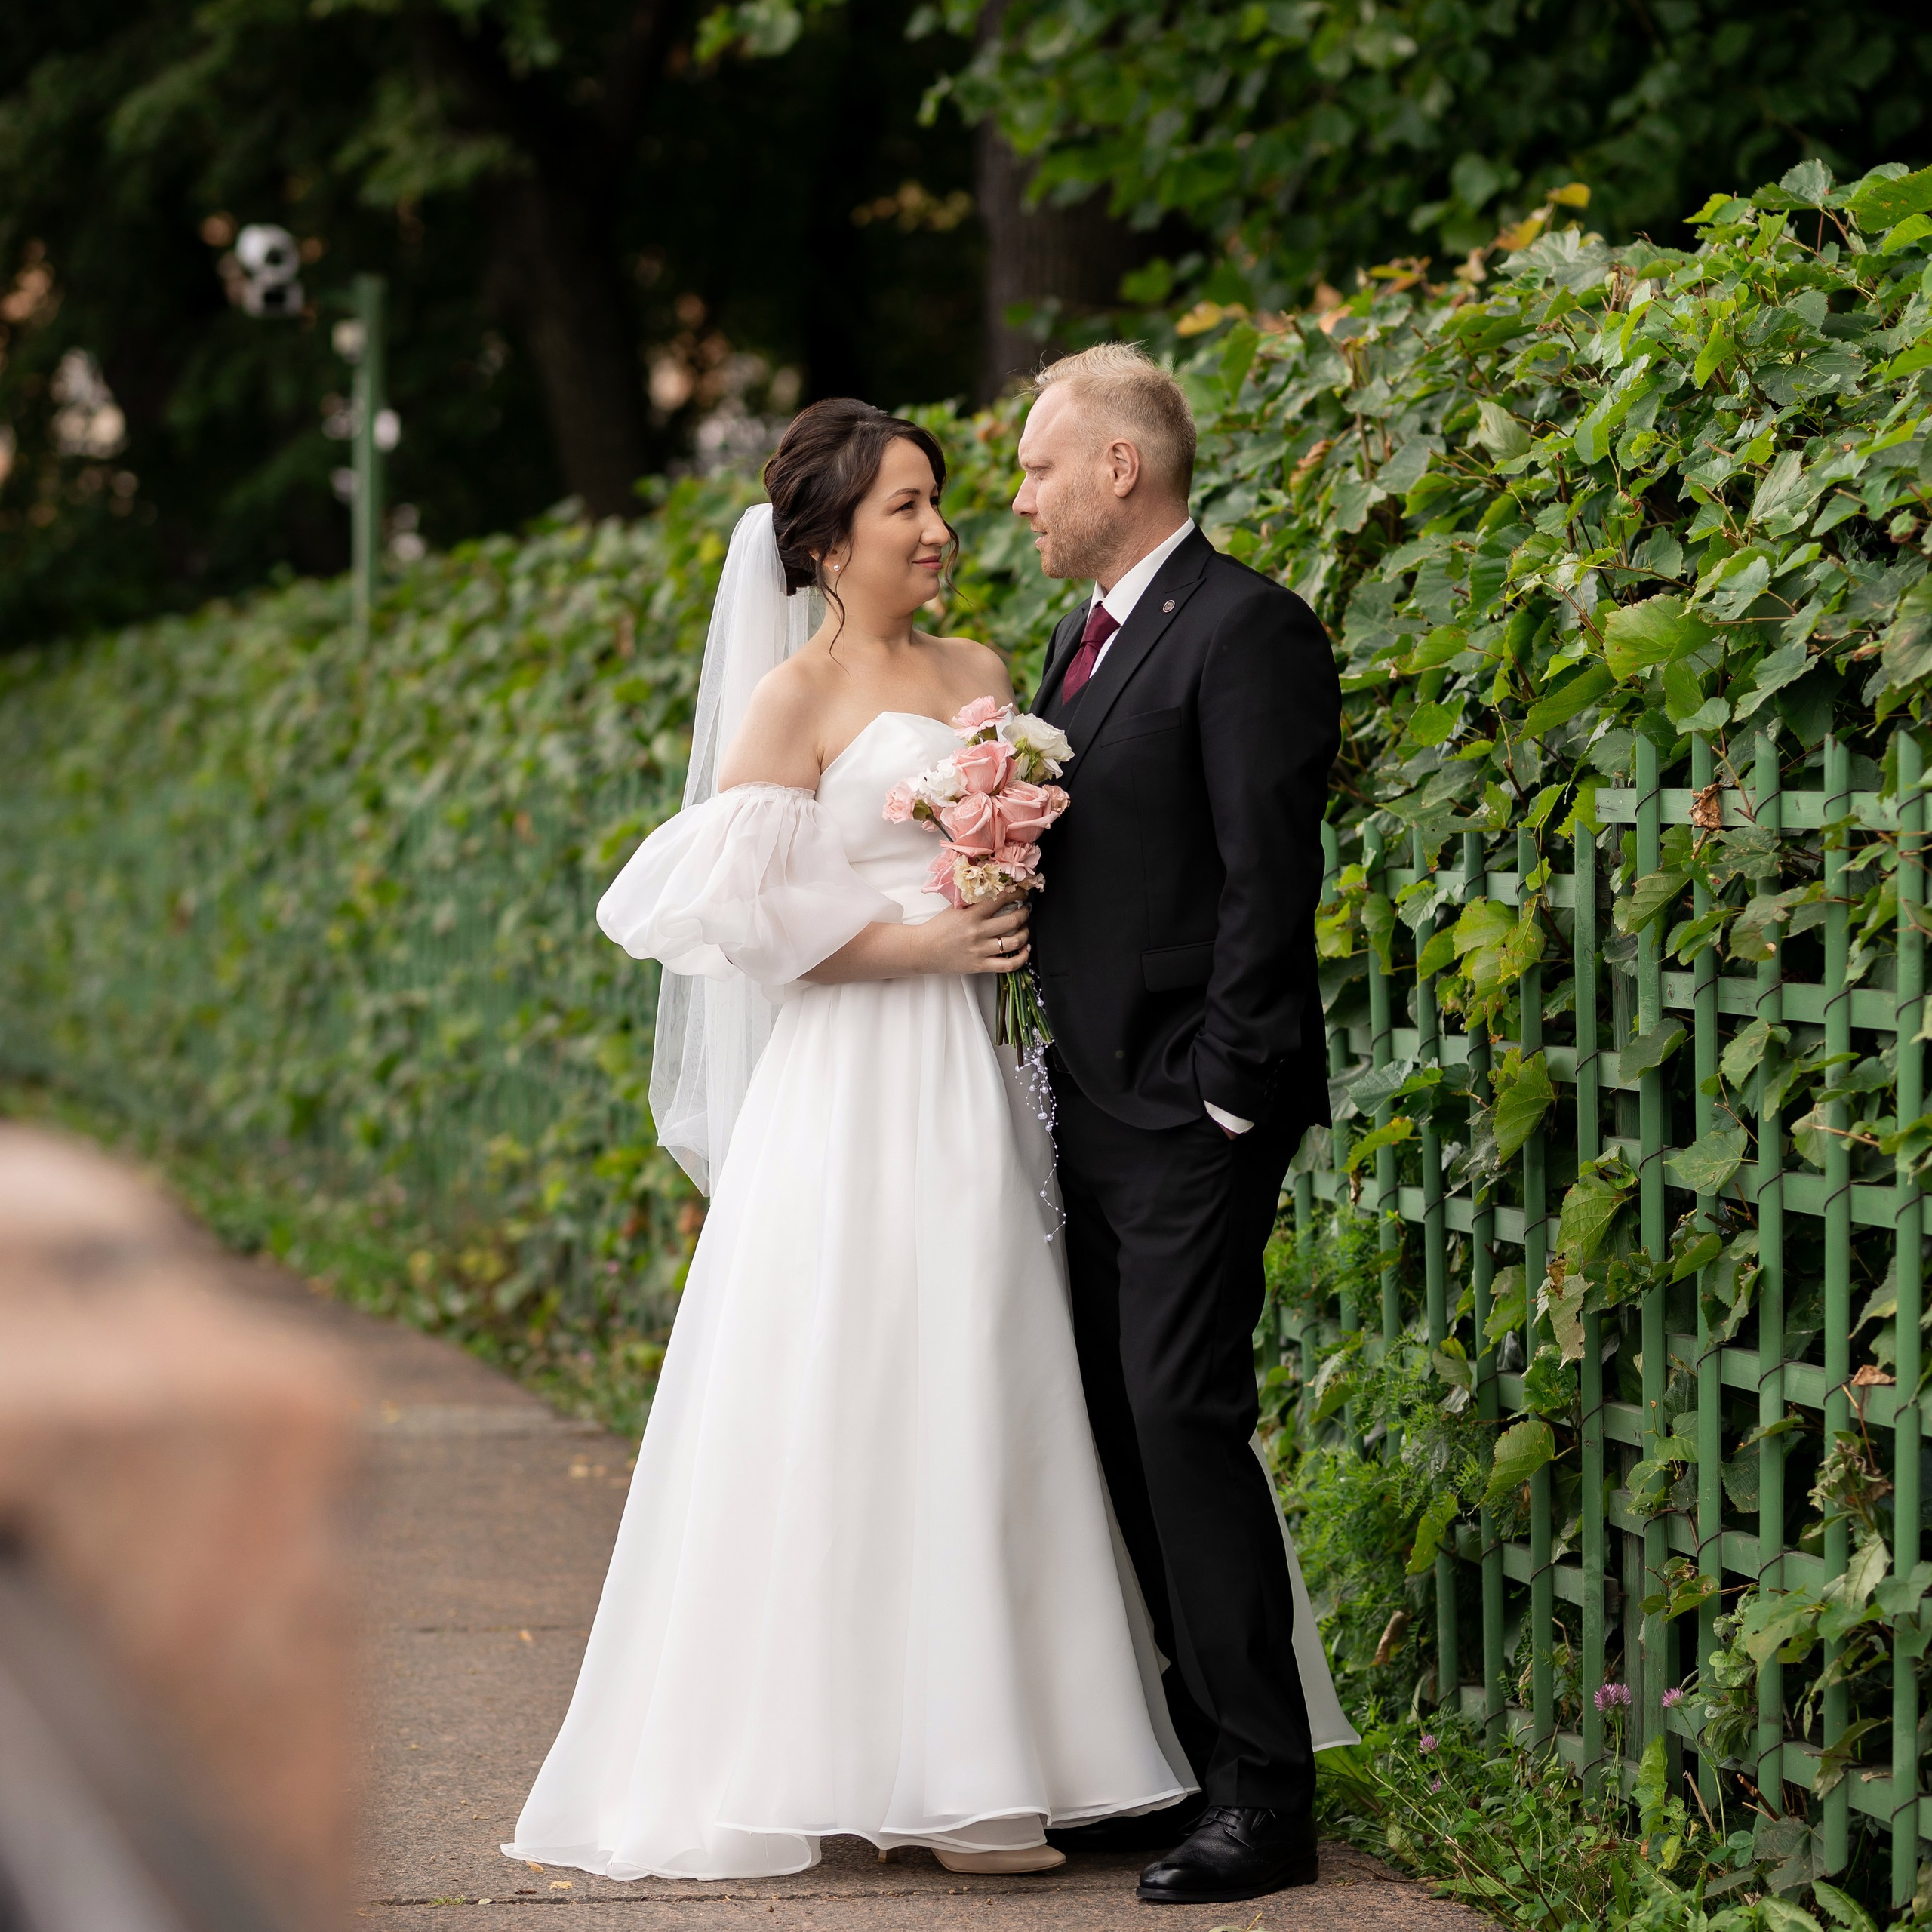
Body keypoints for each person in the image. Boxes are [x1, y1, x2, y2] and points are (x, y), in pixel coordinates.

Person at [501, 399, 1196, 1883]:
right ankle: (831, 1749)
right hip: (842, 1088)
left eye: (939, 498)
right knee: (844, 1377)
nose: (939, 526)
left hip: (967, 1078)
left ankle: (990, 1765)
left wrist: (1002, 893)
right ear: (821, 542)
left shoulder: (983, 675)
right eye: (904, 506)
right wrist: (926, 937)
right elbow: (744, 926)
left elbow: (1020, 861)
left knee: (977, 1361)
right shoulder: (792, 702)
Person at [1016, 343, 1347, 1906]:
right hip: (1081, 1109)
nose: (1016, 498)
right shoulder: (1070, 646)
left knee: (1177, 1419)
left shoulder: (1246, 627)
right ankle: (1178, 1758)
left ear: (1118, 469)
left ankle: (1263, 1793)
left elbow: (1263, 877)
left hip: (1190, 1111)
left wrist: (1224, 1084)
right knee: (1107, 1424)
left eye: (1033, 468)